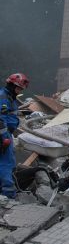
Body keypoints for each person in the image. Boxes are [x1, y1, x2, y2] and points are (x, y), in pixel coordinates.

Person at [0, 72, 29, 200]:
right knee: (7, 163)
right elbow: (0, 119)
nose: (18, 91)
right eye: (18, 88)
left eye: (20, 89)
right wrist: (3, 138)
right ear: (11, 85)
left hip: (7, 134)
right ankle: (8, 195)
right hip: (3, 135)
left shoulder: (10, 97)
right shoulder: (3, 97)